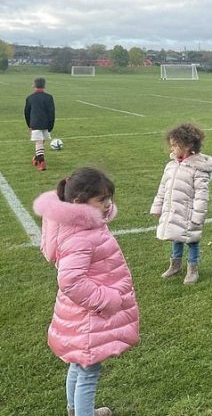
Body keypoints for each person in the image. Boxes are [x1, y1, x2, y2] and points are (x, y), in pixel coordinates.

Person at [33, 167, 140, 416]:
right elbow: (70, 281)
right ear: (80, 202)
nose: (108, 204)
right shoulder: (81, 236)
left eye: (109, 198)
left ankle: (74, 410)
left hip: (80, 316)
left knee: (79, 364)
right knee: (89, 372)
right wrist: (109, 300)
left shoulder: (84, 226)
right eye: (101, 200)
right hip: (89, 317)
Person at [150, 123, 212, 285]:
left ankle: (192, 269)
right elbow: (163, 187)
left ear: (187, 146)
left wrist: (197, 216)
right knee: (176, 237)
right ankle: (175, 265)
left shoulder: (198, 169)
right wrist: (157, 206)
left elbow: (202, 195)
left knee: (192, 240)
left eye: (174, 145)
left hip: (189, 213)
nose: (171, 149)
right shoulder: (171, 166)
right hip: (173, 211)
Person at [24, 77, 56, 171]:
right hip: (45, 123)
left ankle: (41, 162)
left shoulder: (30, 98)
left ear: (34, 85)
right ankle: (36, 158)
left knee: (39, 141)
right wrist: (51, 125)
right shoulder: (49, 97)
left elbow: (26, 112)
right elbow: (52, 112)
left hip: (35, 123)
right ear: (44, 85)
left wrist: (29, 124)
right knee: (40, 141)